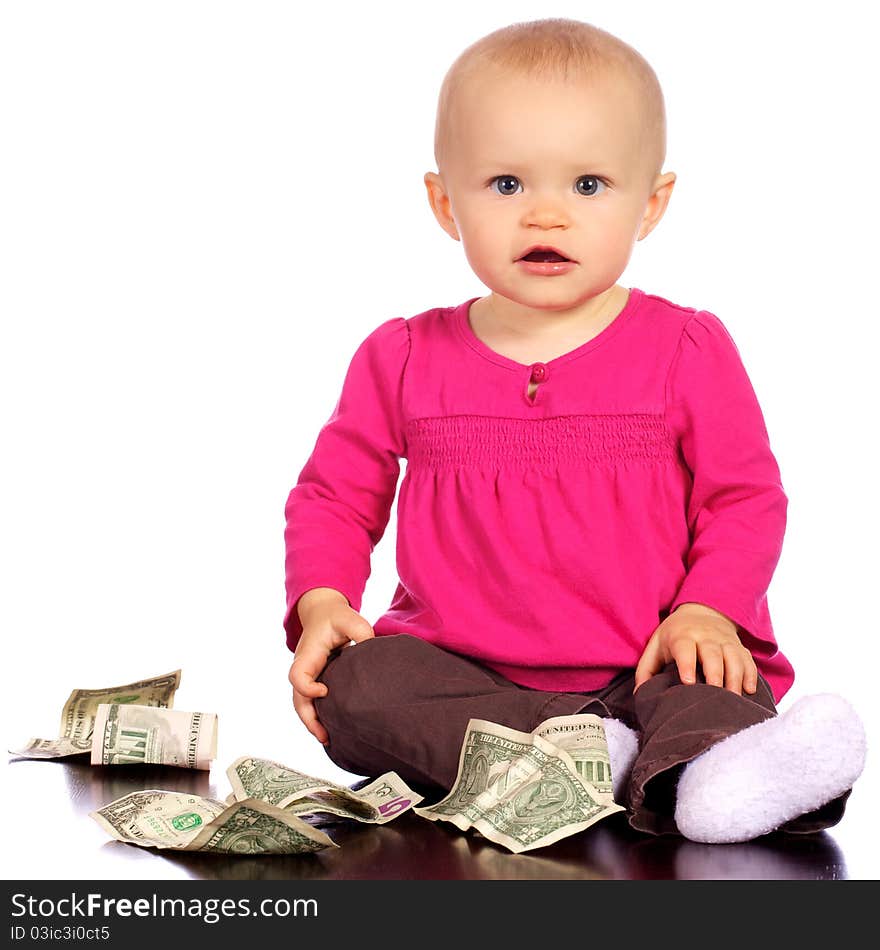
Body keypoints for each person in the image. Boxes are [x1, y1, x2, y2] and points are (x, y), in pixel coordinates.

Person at [283, 18, 866, 843]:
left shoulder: (686, 348)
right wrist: (322, 599)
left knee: (707, 687)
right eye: (506, 185)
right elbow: (333, 495)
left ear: (650, 204)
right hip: (469, 680)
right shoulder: (403, 355)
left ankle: (716, 772)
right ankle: (604, 759)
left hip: (650, 664)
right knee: (356, 689)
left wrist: (707, 609)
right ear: (446, 203)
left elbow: (744, 498)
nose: (546, 215)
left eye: (589, 186)